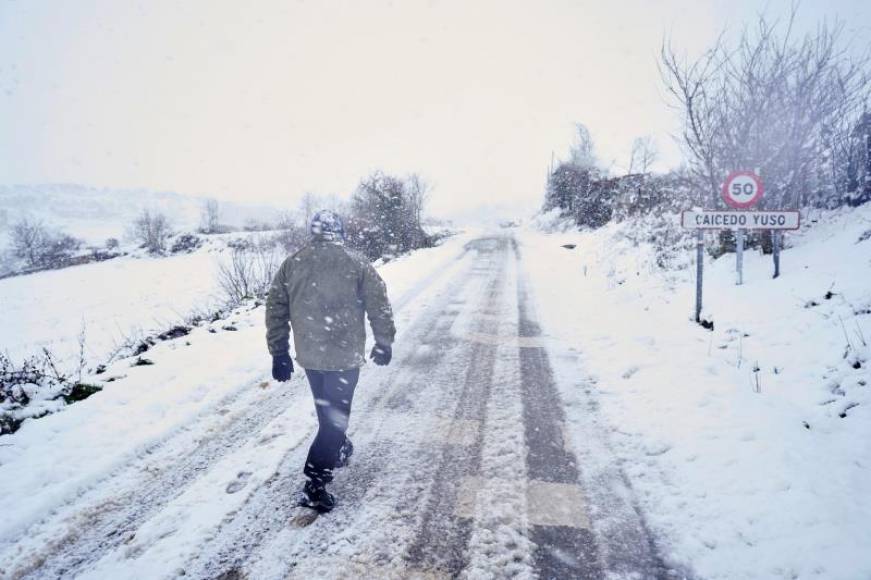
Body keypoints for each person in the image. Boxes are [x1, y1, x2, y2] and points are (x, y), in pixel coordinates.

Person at [265, 209, 395, 512]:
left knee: (328, 410)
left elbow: (275, 310)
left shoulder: (292, 264)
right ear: (339, 232)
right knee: (335, 418)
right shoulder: (356, 262)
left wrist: (280, 352)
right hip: (343, 356)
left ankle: (337, 445)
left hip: (311, 357)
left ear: (314, 232)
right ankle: (315, 483)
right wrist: (384, 341)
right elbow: (379, 304)